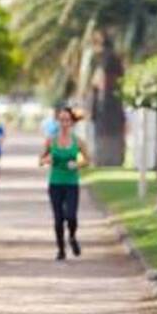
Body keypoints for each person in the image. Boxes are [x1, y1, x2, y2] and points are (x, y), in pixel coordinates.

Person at [39, 106, 89, 261]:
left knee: (71, 216)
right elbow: (40, 160)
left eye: (67, 120)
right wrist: (47, 160)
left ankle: (72, 237)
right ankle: (61, 249)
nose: (64, 123)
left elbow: (87, 160)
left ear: (72, 122)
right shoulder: (51, 140)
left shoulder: (78, 141)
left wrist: (78, 164)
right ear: (58, 122)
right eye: (61, 120)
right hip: (55, 183)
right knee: (59, 218)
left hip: (71, 183)